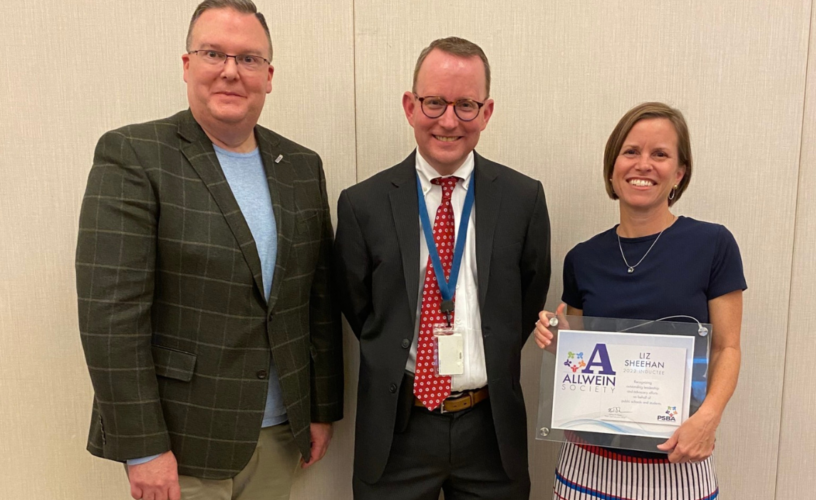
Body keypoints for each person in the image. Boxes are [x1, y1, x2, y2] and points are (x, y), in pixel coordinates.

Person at [75, 1, 343, 499]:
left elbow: (318, 303)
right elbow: (110, 319)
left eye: (248, 59)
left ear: (268, 75)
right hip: (182, 447)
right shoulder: (134, 156)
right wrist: (143, 447)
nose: (230, 71)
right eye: (213, 53)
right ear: (186, 65)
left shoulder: (302, 167)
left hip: (281, 436)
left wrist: (320, 410)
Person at [334, 37, 551, 500]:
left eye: (466, 105)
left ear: (487, 112)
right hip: (398, 429)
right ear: (410, 106)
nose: (449, 121)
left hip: (489, 431)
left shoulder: (523, 199)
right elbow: (359, 308)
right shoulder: (363, 205)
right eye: (434, 103)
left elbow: (526, 301)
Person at [534, 102, 745, 499]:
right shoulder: (583, 257)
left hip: (678, 465)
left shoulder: (713, 245)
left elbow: (727, 347)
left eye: (660, 154)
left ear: (680, 172)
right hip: (587, 468)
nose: (643, 164)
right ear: (612, 169)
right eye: (631, 152)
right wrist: (559, 341)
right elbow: (581, 352)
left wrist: (709, 419)